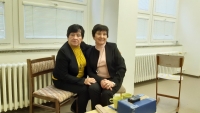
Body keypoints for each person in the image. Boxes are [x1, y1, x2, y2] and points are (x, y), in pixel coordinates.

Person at [52, 24, 96, 113]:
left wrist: (108, 49)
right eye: (72, 35)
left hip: (76, 78)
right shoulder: (63, 52)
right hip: (61, 80)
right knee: (85, 89)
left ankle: (75, 107)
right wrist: (83, 81)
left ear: (82, 38)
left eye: (78, 35)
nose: (75, 38)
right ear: (68, 36)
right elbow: (63, 75)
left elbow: (93, 48)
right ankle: (80, 110)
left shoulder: (82, 45)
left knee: (93, 88)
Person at [86, 24, 126, 109]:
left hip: (113, 79)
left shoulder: (113, 47)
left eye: (104, 34)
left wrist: (113, 82)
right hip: (97, 79)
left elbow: (122, 67)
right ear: (93, 36)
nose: (102, 36)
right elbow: (90, 71)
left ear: (107, 36)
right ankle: (95, 110)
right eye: (99, 34)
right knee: (93, 89)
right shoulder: (89, 51)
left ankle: (106, 111)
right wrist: (101, 80)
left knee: (106, 93)